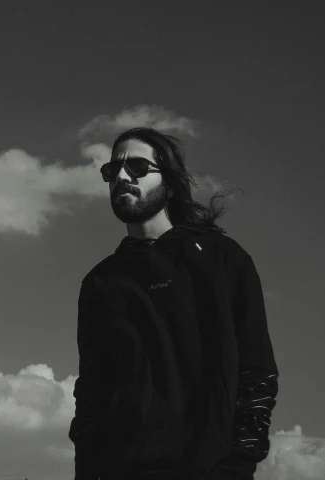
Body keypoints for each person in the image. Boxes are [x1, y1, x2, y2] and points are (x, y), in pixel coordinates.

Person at [68, 127, 279, 480]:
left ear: (168, 179)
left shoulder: (222, 259)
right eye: (111, 170)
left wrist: (236, 468)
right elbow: (90, 392)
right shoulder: (100, 282)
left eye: (137, 167)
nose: (120, 176)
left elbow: (256, 375)